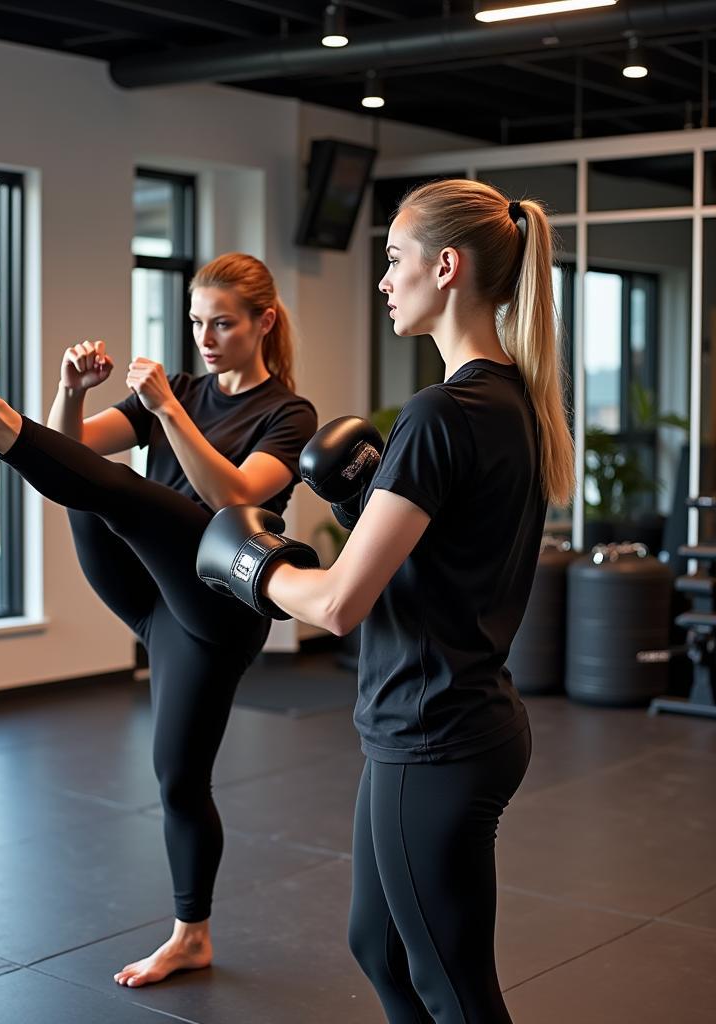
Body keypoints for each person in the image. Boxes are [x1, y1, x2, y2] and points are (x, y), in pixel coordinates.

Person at [197, 180, 575, 1023]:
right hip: (449, 719)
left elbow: (336, 605)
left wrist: (247, 565)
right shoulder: (510, 403)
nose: (382, 279)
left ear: (446, 267)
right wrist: (353, 504)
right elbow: (438, 556)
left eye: (394, 259)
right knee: (380, 948)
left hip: (433, 732)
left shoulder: (441, 414)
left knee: (454, 987)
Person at [0, 253, 318, 988]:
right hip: (149, 597)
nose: (205, 339)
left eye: (222, 324)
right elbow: (72, 454)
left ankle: (190, 937)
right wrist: (68, 391)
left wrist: (171, 414)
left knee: (180, 779)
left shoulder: (288, 414)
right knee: (98, 491)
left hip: (218, 602)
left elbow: (235, 498)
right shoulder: (176, 387)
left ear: (263, 323)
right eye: (195, 323)